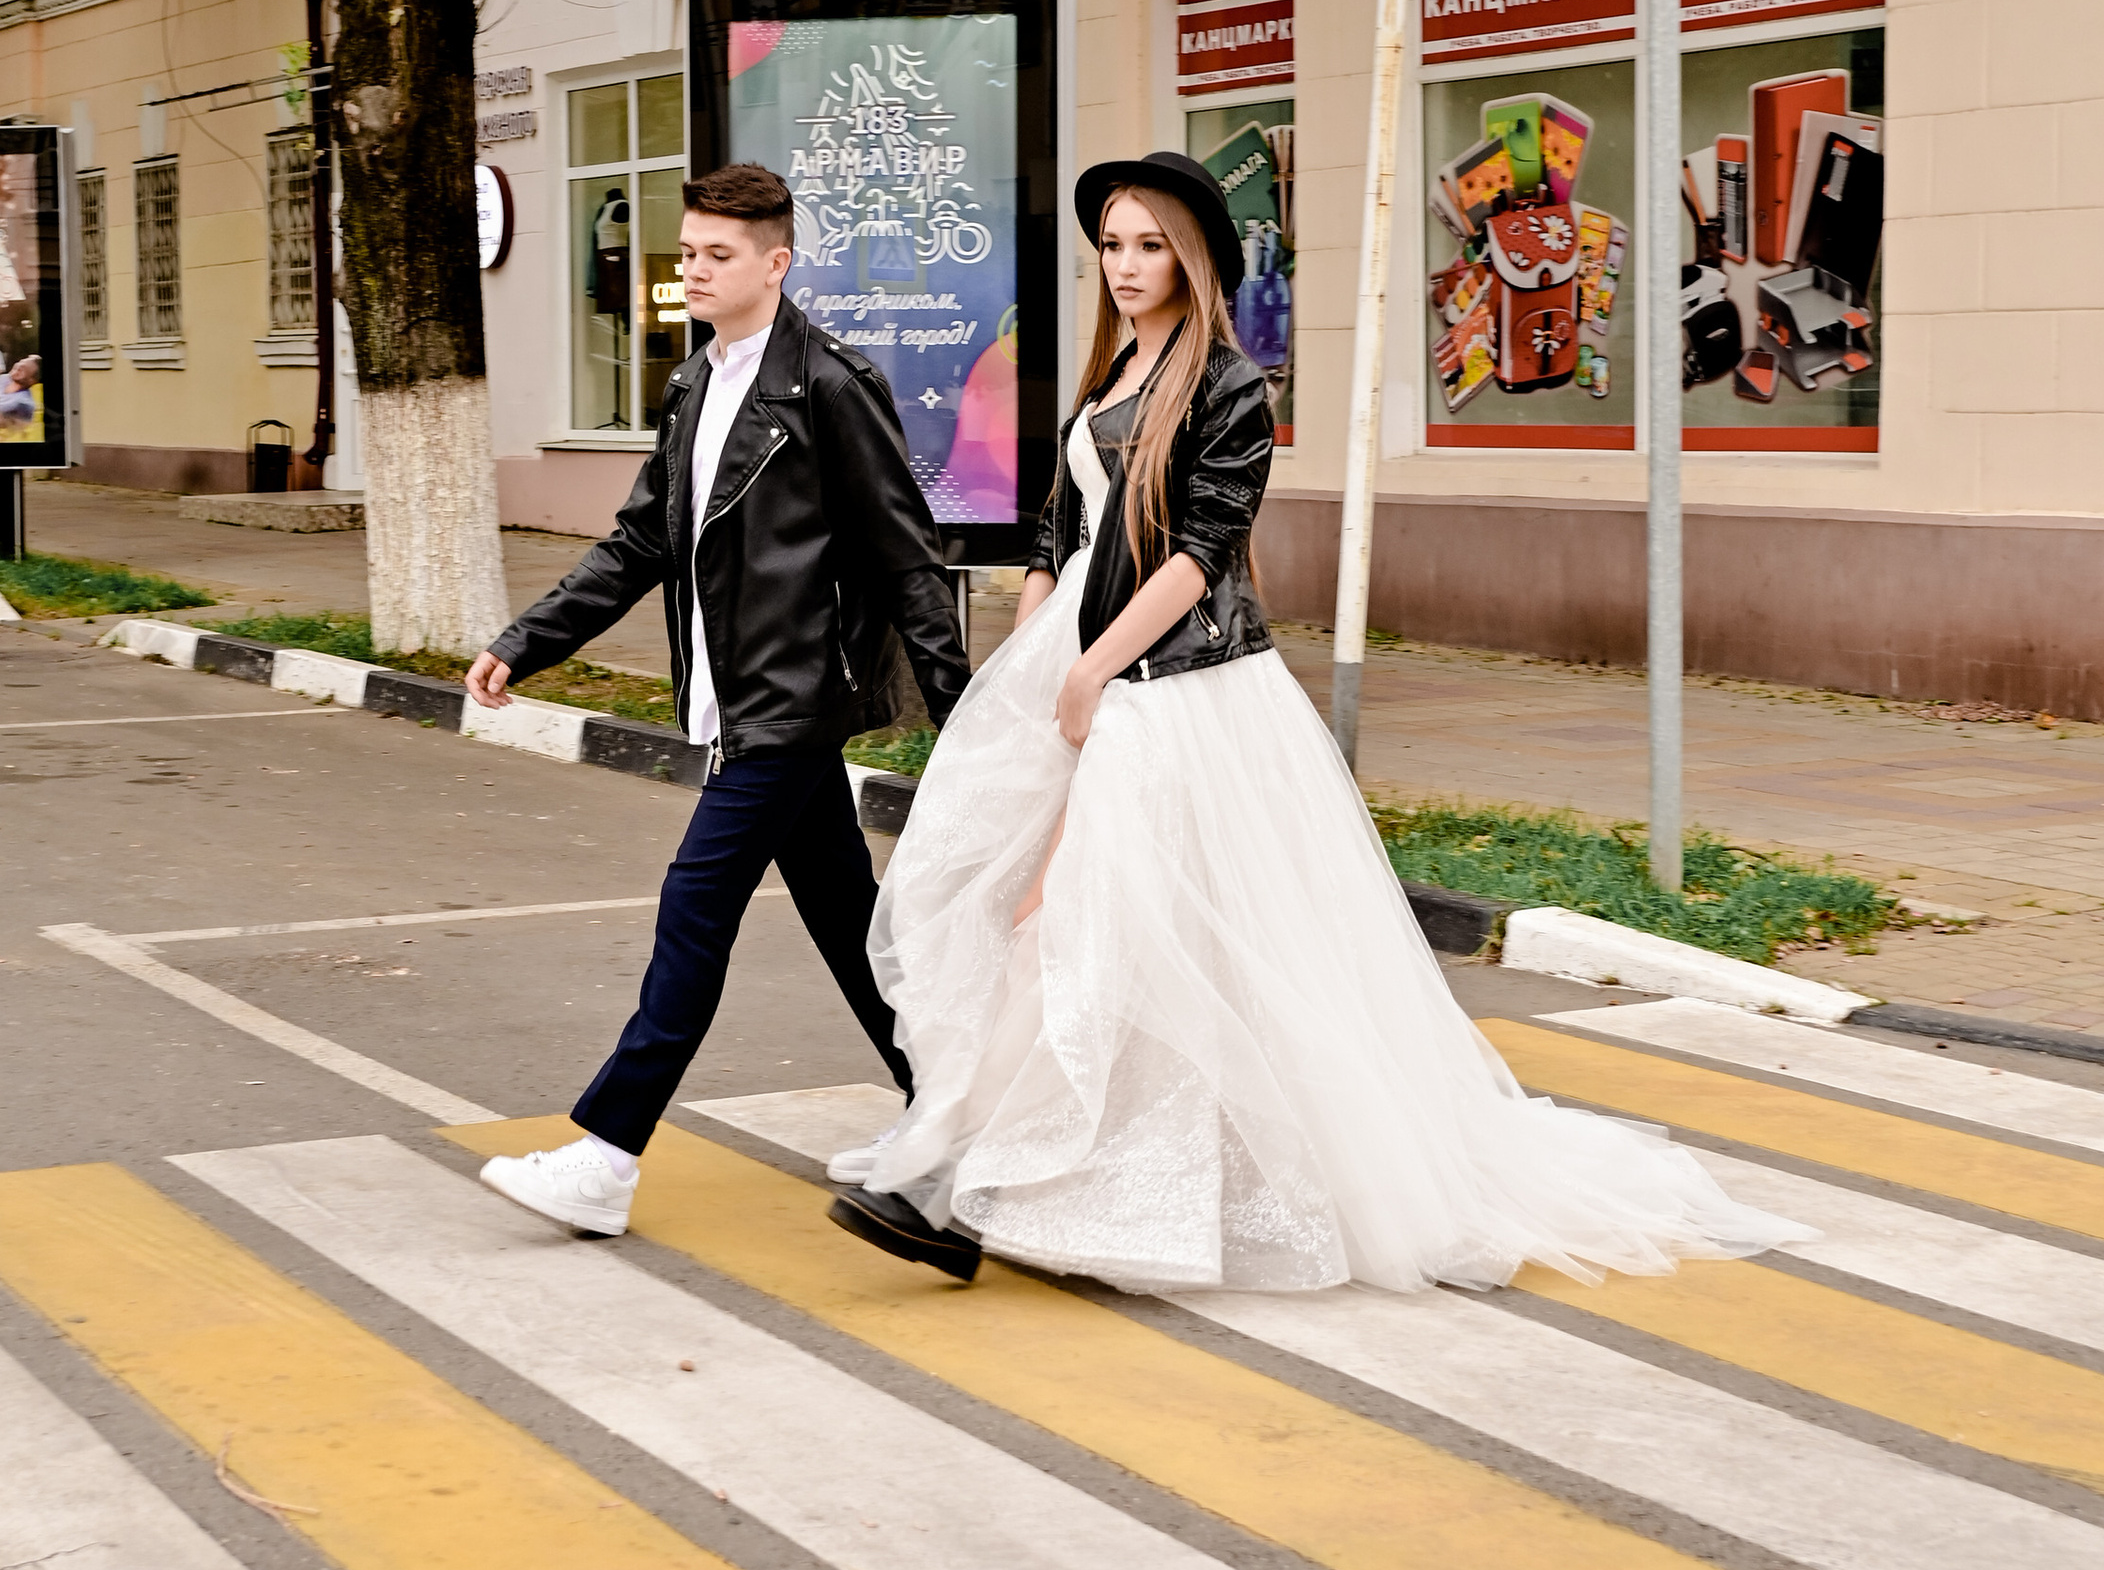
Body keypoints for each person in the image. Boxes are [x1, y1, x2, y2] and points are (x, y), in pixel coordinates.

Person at [828, 151, 1798, 1299]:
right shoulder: (1107, 373)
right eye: (1114, 243)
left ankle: (940, 1177)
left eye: (1150, 245)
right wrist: (1030, 649)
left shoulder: (1228, 384)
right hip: (1080, 673)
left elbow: (1201, 552)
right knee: (1072, 925)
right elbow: (1060, 527)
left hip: (1176, 690)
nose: (1126, 264)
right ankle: (999, 1169)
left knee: (1067, 920)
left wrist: (1092, 667)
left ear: (1192, 260)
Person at [467, 160, 972, 1237]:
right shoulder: (697, 383)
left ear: (776, 263)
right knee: (847, 916)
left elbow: (906, 555)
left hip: (791, 701)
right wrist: (530, 638)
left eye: (718, 254)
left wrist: (958, 712)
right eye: (688, 251)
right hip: (746, 697)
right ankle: (947, 1112)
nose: (693, 269)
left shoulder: (830, 384)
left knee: (694, 909)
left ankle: (605, 1154)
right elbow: (645, 537)